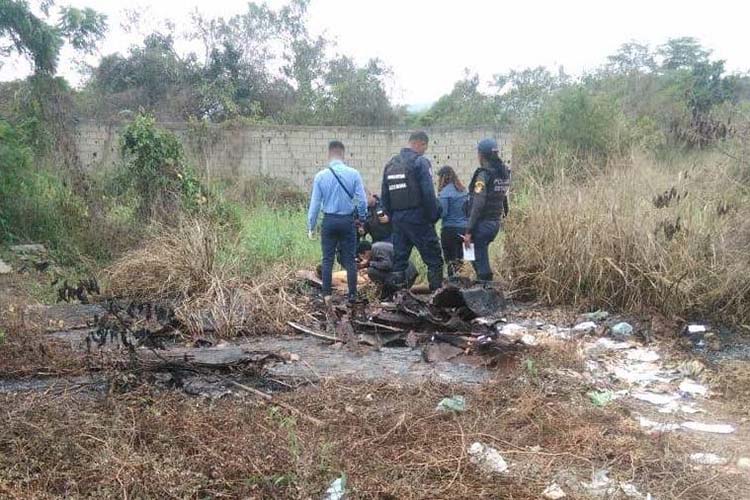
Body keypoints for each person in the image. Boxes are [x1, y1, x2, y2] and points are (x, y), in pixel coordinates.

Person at [381, 131, 444, 291]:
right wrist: (433, 216)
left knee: (399, 263)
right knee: (434, 260)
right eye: (425, 147)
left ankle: (397, 300)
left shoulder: (390, 164)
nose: (424, 151)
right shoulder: (420, 162)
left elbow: (385, 196)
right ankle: (437, 301)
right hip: (418, 219)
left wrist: (391, 216)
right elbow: (428, 193)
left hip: (398, 221)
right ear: (420, 143)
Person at [307, 140, 367, 302]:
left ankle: (327, 295)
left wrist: (311, 226)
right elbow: (362, 201)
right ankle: (353, 295)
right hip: (347, 221)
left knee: (327, 259)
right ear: (343, 154)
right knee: (349, 258)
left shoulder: (320, 176)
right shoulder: (354, 174)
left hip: (329, 221)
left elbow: (315, 205)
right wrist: (361, 218)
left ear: (329, 154)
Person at [463, 138, 511, 283]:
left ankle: (486, 286)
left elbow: (478, 202)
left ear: (481, 155)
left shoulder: (484, 174)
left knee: (478, 256)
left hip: (482, 224)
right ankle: (481, 282)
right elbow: (503, 198)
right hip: (494, 222)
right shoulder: (503, 173)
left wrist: (468, 231)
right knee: (472, 254)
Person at [436, 165, 468, 277]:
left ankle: (453, 288)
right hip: (466, 231)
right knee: (463, 262)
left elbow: (443, 213)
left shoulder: (445, 192)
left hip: (450, 231)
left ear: (442, 178)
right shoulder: (464, 191)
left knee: (451, 262)